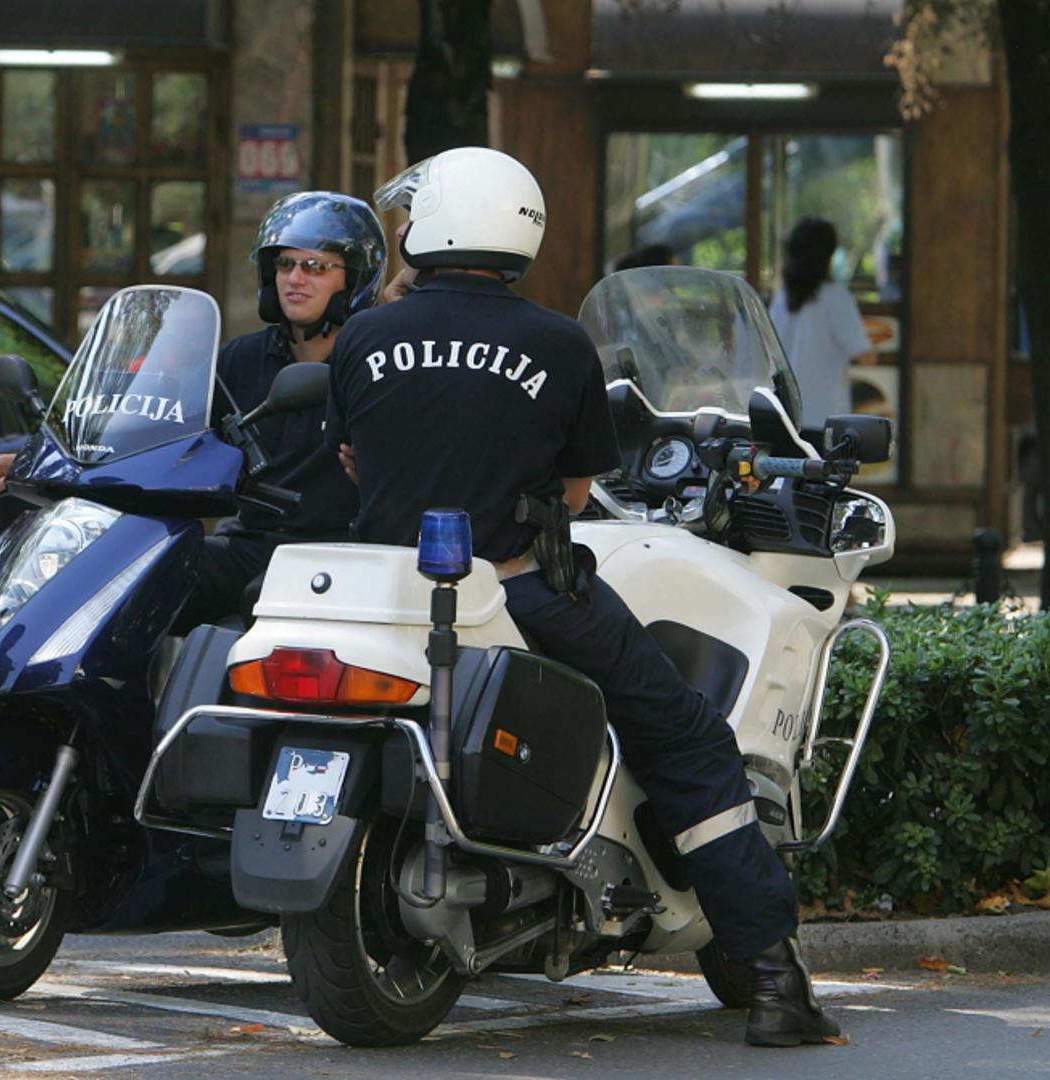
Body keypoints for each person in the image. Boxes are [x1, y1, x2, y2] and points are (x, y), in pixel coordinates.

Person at [326, 146, 839, 1049]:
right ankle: (772, 981)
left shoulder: (365, 337)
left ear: (433, 224)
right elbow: (574, 492)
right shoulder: (559, 343)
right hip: (518, 592)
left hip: (390, 599)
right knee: (686, 736)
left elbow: (353, 460)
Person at [0, 191, 387, 630]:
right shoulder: (241, 359)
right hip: (250, 543)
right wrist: (33, 462)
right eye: (284, 264)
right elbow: (161, 436)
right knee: (124, 577)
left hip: (335, 553)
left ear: (355, 277)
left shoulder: (373, 363)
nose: (295, 278)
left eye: (315, 266)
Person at [768, 216, 874, 428]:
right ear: (828, 255)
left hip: (785, 417)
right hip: (825, 416)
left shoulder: (782, 298)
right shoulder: (836, 298)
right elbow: (865, 356)